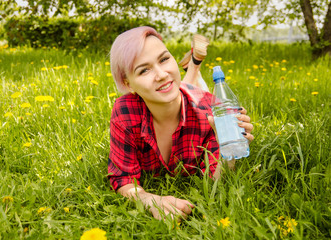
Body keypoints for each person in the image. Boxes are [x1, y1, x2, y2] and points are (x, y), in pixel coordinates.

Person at [108, 26, 254, 221]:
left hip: (196, 100)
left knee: (185, 88)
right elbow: (122, 177)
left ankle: (193, 67)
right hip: (179, 95)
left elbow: (216, 182)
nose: (161, 74)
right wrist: (149, 199)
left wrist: (228, 148)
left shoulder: (209, 112)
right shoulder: (126, 112)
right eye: (144, 70)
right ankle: (193, 66)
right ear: (127, 84)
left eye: (164, 59)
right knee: (177, 85)